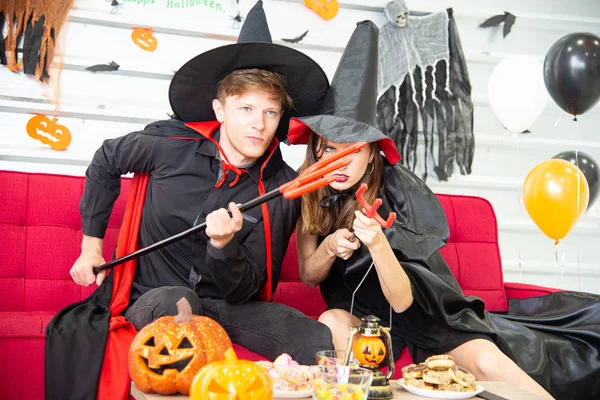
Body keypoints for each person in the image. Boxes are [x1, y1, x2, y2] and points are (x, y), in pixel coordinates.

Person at [289, 20, 600, 400]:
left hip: (429, 317)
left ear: (372, 152)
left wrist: (377, 242)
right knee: (329, 322)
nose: (336, 161)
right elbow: (308, 274)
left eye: (351, 148)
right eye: (327, 147)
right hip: (363, 320)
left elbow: (403, 300)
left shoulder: (399, 193)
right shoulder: (311, 191)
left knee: (490, 366)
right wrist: (329, 247)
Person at [45, 2, 334, 399]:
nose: (258, 123)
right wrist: (90, 246)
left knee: (313, 336)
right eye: (246, 108)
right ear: (220, 109)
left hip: (227, 306)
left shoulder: (280, 189)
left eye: (270, 112)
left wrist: (224, 245)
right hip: (156, 297)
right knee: (179, 305)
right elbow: (107, 160)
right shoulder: (170, 145)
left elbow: (243, 290)